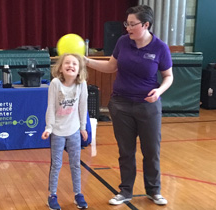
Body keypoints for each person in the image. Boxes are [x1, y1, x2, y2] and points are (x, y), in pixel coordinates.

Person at [84, 5, 173, 206]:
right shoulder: (123, 42)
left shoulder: (160, 47)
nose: (128, 28)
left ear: (146, 24)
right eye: (127, 24)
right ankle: (125, 191)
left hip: (148, 107)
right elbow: (110, 67)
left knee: (151, 151)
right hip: (121, 105)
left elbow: (168, 76)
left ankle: (154, 191)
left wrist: (159, 91)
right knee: (126, 151)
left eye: (132, 24)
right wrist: (86, 61)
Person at [42, 53, 89, 210]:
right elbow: (51, 107)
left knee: (75, 164)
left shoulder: (82, 84)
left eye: (74, 64)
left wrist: (83, 127)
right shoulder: (55, 83)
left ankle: (78, 194)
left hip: (74, 131)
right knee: (56, 164)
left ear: (79, 69)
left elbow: (83, 107)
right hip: (57, 132)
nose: (71, 65)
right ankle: (52, 195)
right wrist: (49, 127)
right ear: (60, 68)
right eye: (67, 63)